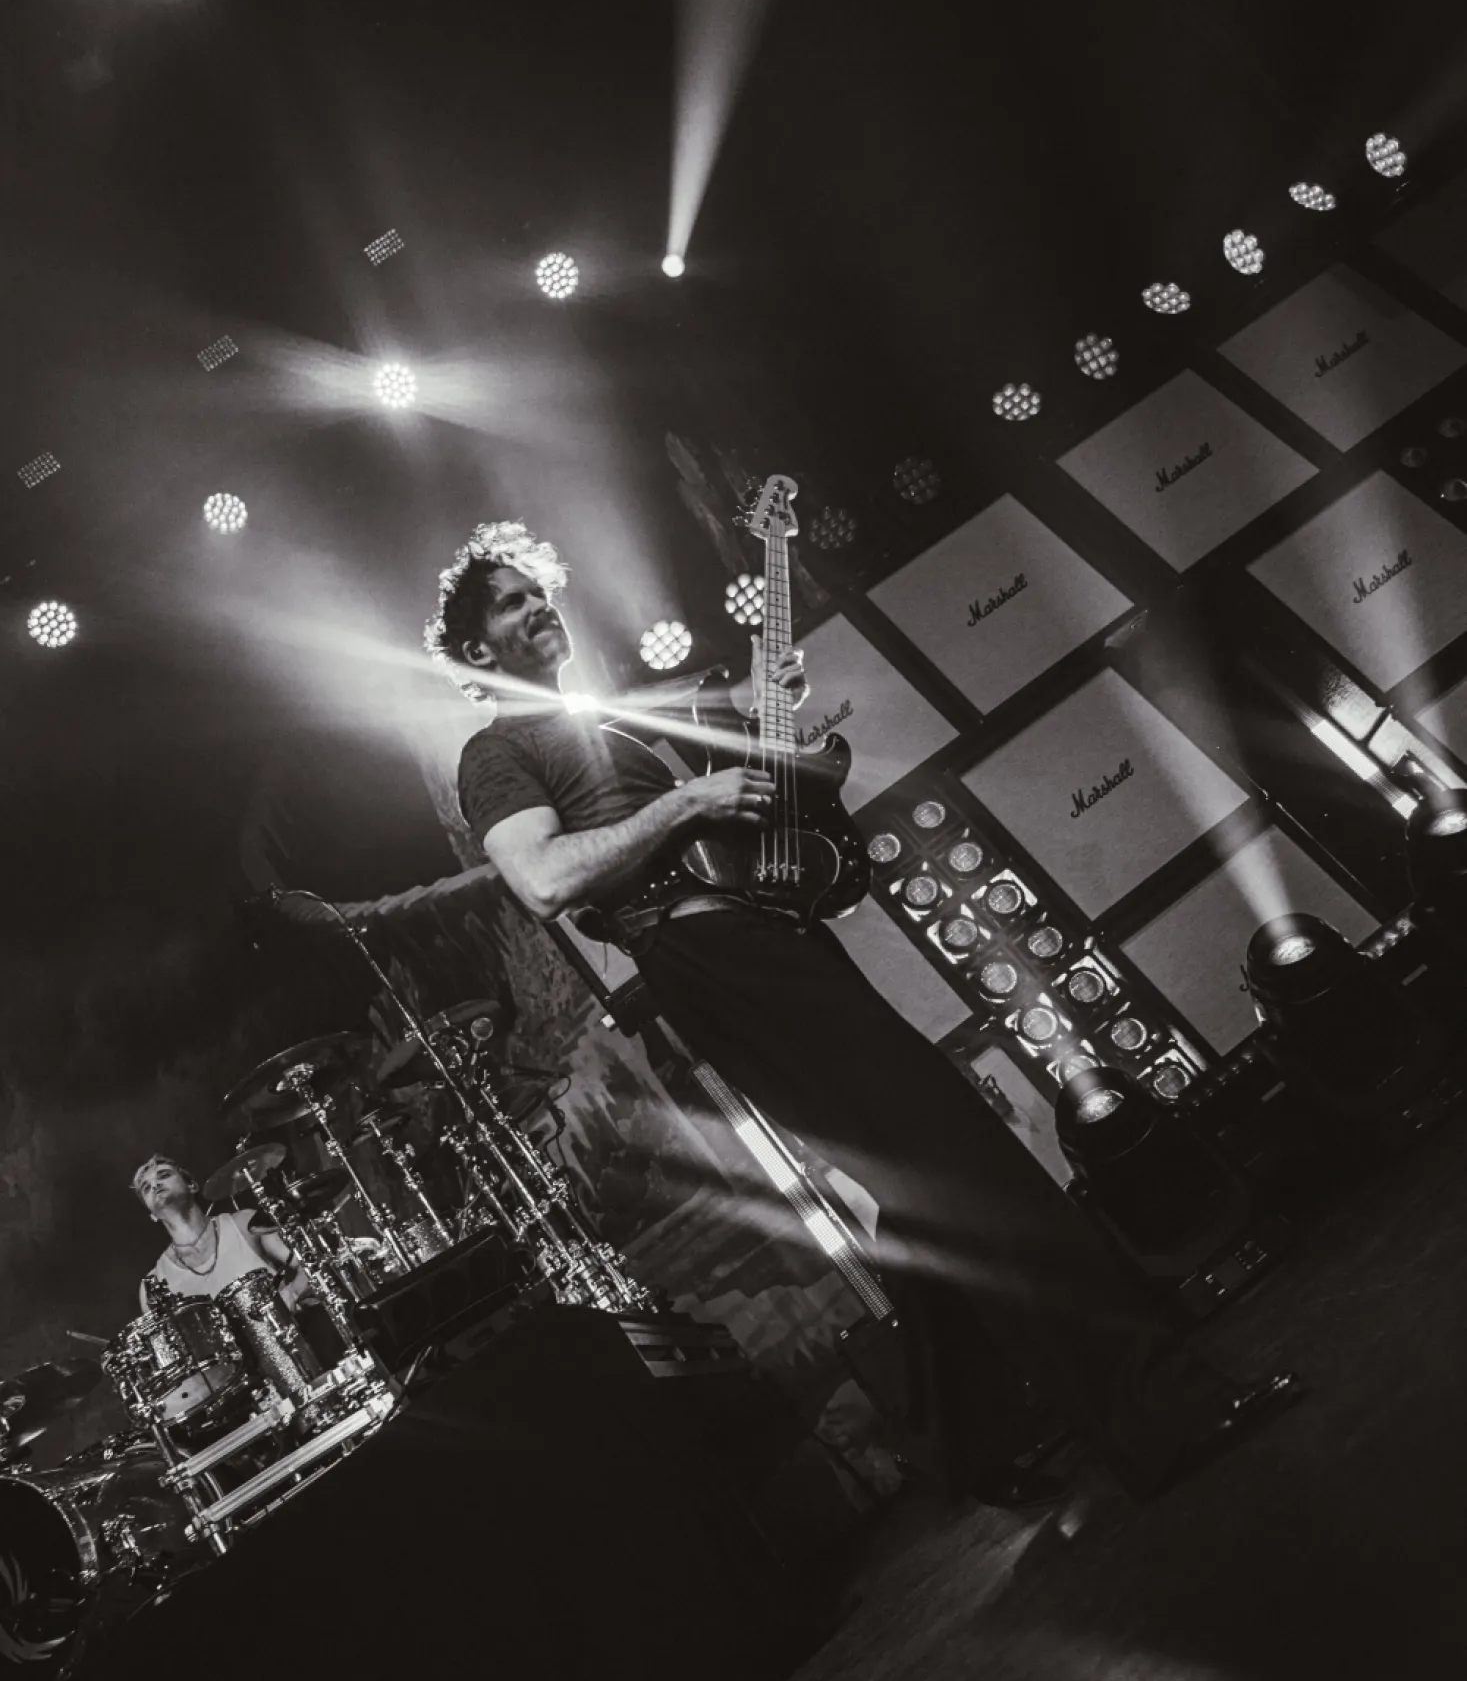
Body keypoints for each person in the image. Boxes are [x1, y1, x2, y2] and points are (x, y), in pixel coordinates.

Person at [425, 519, 1303, 1510]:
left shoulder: (603, 724)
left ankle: (962, 1446)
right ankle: (1161, 1413)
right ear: (475, 651)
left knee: (920, 1183)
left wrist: (780, 763)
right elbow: (543, 879)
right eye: (511, 602)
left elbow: (737, 828)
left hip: (763, 943)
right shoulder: (494, 752)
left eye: (538, 592)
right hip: (716, 963)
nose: (538, 607)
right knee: (964, 1160)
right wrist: (687, 802)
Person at [131, 1155, 312, 1315]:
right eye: (146, 1188)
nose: (155, 1185)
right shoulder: (153, 1284)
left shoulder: (245, 1224)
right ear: (152, 1214)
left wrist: (291, 1294)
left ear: (192, 1185)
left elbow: (309, 1263)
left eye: (164, 1175)